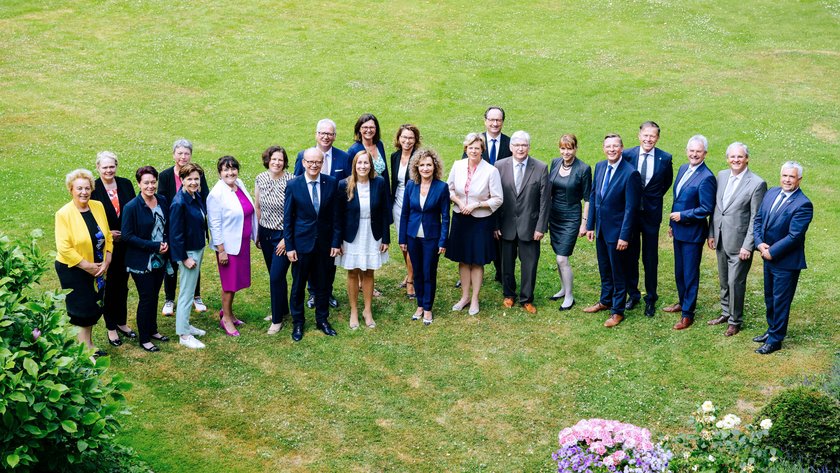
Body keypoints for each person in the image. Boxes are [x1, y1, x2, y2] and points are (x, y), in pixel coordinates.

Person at [706, 142, 767, 337]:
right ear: (727, 159)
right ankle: (725, 312)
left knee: (735, 282)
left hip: (741, 244)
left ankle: (735, 320)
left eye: (740, 157)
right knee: (724, 280)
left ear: (747, 158)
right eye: (732, 157)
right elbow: (717, 208)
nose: (736, 160)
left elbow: (756, 218)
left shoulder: (757, 183)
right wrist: (712, 233)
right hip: (721, 238)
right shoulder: (722, 176)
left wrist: (748, 245)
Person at [752, 161, 813, 354]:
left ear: (799, 179)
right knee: (770, 297)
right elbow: (759, 219)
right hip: (766, 254)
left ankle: (776, 339)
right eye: (785, 176)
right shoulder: (771, 192)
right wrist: (759, 243)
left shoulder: (803, 204)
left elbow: (794, 236)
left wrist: (772, 251)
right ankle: (772, 330)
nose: (787, 180)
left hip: (785, 262)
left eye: (792, 177)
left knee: (781, 300)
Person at [583, 134, 642, 328]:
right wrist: (590, 225)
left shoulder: (630, 173)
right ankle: (604, 300)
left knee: (618, 272)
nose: (612, 149)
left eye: (615, 146)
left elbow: (630, 208)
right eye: (608, 146)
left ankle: (617, 311)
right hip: (601, 230)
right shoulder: (600, 166)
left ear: (622, 148)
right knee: (604, 268)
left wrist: (624, 236)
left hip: (618, 234)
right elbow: (594, 196)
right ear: (603, 148)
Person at [55, 169, 113, 358]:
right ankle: (83, 351)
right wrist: (87, 266)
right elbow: (64, 247)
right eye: (79, 188)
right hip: (74, 269)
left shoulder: (97, 206)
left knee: (93, 305)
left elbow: (108, 235)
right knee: (82, 308)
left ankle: (88, 343)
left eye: (87, 188)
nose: (84, 192)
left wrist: (107, 259)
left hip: (97, 266)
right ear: (71, 189)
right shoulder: (63, 214)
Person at [284, 147, 341, 341]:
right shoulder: (293, 185)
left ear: (322, 163)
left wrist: (335, 242)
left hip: (325, 245)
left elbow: (336, 217)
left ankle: (322, 320)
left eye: (318, 162)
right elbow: (288, 220)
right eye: (310, 162)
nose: (314, 165)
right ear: (303, 163)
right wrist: (290, 247)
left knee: (324, 284)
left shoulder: (331, 183)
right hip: (301, 245)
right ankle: (298, 323)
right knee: (298, 285)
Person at [294, 120, 349, 309]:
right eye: (322, 133)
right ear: (316, 134)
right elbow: (296, 186)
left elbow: (349, 184)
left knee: (328, 262)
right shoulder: (304, 156)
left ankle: (327, 291)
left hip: (331, 217)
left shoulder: (344, 157)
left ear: (334, 136)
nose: (326, 136)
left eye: (330, 133)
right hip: (308, 220)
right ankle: (312, 293)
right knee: (308, 259)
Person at [446, 133, 504, 316]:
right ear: (466, 149)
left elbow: (498, 199)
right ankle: (464, 297)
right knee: (463, 259)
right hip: (460, 217)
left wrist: (476, 205)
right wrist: (459, 202)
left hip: (480, 221)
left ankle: (475, 298)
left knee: (477, 260)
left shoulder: (490, 171)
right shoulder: (457, 165)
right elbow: (449, 188)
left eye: (477, 148)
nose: (473, 151)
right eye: (470, 147)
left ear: (482, 150)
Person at [493, 131, 550, 314]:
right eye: (517, 145)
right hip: (505, 225)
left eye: (524, 145)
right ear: (510, 147)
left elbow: (544, 200)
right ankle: (509, 294)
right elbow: (494, 197)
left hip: (530, 227)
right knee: (506, 264)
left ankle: (526, 298)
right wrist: (495, 225)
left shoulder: (540, 167)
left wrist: (541, 227)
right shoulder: (499, 166)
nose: (520, 148)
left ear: (529, 147)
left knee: (530, 264)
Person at [622, 121, 674, 316]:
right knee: (630, 256)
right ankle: (633, 294)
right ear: (639, 135)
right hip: (631, 215)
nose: (648, 139)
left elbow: (666, 183)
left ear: (657, 138)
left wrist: (652, 198)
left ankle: (651, 297)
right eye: (645, 135)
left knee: (650, 258)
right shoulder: (627, 155)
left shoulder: (664, 158)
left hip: (652, 215)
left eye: (652, 136)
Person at [665, 135, 717, 330]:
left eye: (698, 151)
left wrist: (682, 216)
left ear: (705, 154)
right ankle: (681, 301)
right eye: (692, 151)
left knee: (690, 273)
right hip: (678, 230)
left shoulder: (707, 177)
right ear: (687, 151)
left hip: (693, 234)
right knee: (679, 271)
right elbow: (678, 199)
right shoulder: (682, 169)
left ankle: (688, 314)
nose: (694, 154)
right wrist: (672, 223)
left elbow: (706, 208)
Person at [334, 151, 390, 329]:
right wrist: (337, 242)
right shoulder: (344, 184)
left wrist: (386, 238)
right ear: (354, 165)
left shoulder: (379, 183)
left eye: (366, 163)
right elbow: (338, 216)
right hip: (351, 235)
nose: (363, 167)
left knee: (368, 272)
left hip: (372, 233)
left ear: (371, 165)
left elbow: (384, 212)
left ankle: (367, 310)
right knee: (352, 272)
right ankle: (353, 311)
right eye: (359, 163)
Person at [121, 166, 172, 352]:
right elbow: (127, 236)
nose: (151, 186)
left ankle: (153, 330)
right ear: (139, 184)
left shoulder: (162, 200)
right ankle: (144, 338)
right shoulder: (131, 207)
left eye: (153, 182)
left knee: (154, 295)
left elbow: (166, 225)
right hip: (141, 261)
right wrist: (153, 246)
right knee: (146, 297)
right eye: (146, 183)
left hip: (160, 258)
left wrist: (165, 242)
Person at [90, 151, 137, 347]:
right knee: (110, 287)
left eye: (112, 166)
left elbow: (135, 209)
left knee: (123, 285)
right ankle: (111, 327)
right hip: (106, 247)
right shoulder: (93, 188)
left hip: (126, 244)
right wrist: (109, 233)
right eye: (105, 167)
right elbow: (90, 217)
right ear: (98, 168)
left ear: (116, 166)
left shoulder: (125, 184)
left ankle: (122, 322)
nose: (109, 170)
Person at [460, 106, 511, 284]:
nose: (495, 123)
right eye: (491, 120)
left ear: (502, 122)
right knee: (471, 238)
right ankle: (466, 273)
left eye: (498, 120)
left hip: (501, 198)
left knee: (500, 237)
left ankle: (502, 272)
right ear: (485, 121)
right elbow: (464, 169)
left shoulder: (510, 144)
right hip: (476, 201)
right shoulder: (475, 142)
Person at [158, 139, 209, 316]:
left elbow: (204, 196)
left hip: (192, 227)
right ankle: (169, 299)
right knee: (172, 264)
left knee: (194, 262)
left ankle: (196, 296)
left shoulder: (198, 174)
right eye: (179, 153)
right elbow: (162, 201)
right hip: (174, 225)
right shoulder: (165, 176)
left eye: (186, 153)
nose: (183, 157)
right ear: (174, 155)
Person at [399, 148, 450, 325]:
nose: (425, 168)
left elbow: (445, 216)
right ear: (416, 167)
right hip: (412, 236)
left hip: (432, 238)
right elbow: (404, 213)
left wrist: (443, 240)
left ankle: (428, 308)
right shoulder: (411, 185)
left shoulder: (441, 187)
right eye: (422, 165)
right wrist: (402, 239)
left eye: (429, 165)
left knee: (429, 272)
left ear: (434, 167)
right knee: (417, 272)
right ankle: (420, 305)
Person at [207, 156, 257, 337]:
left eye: (233, 168)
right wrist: (221, 250)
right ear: (219, 173)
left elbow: (249, 211)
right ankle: (226, 319)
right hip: (228, 248)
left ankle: (229, 312)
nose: (230, 173)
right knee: (229, 284)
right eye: (226, 170)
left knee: (235, 282)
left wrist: (254, 236)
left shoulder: (239, 184)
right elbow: (214, 224)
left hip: (241, 244)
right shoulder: (216, 194)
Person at [547, 134, 592, 311]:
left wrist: (584, 223)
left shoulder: (583, 169)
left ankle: (569, 295)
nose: (566, 152)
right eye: (563, 148)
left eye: (569, 148)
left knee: (562, 257)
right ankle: (563, 288)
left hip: (571, 216)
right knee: (558, 256)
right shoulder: (555, 162)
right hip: (555, 216)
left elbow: (588, 198)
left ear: (575, 149)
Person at [168, 163, 209, 349]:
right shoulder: (179, 203)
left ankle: (186, 325)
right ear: (182, 180)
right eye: (189, 179)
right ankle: (183, 335)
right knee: (186, 293)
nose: (193, 182)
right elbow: (175, 234)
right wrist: (184, 258)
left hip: (197, 248)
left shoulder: (195, 196)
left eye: (196, 179)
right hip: (188, 253)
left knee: (191, 290)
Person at [254, 146, 294, 334]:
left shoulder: (292, 181)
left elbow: (296, 213)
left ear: (285, 162)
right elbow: (258, 207)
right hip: (265, 233)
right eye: (273, 159)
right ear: (267, 160)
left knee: (276, 276)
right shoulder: (260, 179)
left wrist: (287, 238)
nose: (277, 162)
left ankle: (277, 320)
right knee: (274, 274)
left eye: (280, 159)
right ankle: (283, 309)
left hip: (282, 236)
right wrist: (258, 233)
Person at [390, 124, 421, 299]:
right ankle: (411, 272)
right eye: (404, 137)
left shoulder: (419, 157)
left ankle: (411, 280)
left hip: (414, 205)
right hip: (397, 204)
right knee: (403, 242)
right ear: (399, 139)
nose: (407, 141)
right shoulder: (395, 156)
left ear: (415, 140)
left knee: (411, 242)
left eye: (410, 138)